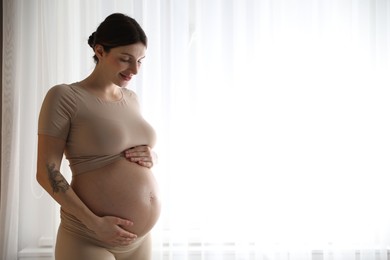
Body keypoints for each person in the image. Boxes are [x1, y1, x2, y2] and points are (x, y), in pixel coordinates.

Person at [36, 13, 161, 260]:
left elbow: (129, 152)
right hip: (89, 237)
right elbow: (46, 171)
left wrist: (152, 155)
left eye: (140, 61)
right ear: (100, 51)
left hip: (140, 241)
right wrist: (95, 224)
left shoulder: (132, 99)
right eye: (125, 59)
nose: (134, 69)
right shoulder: (65, 97)